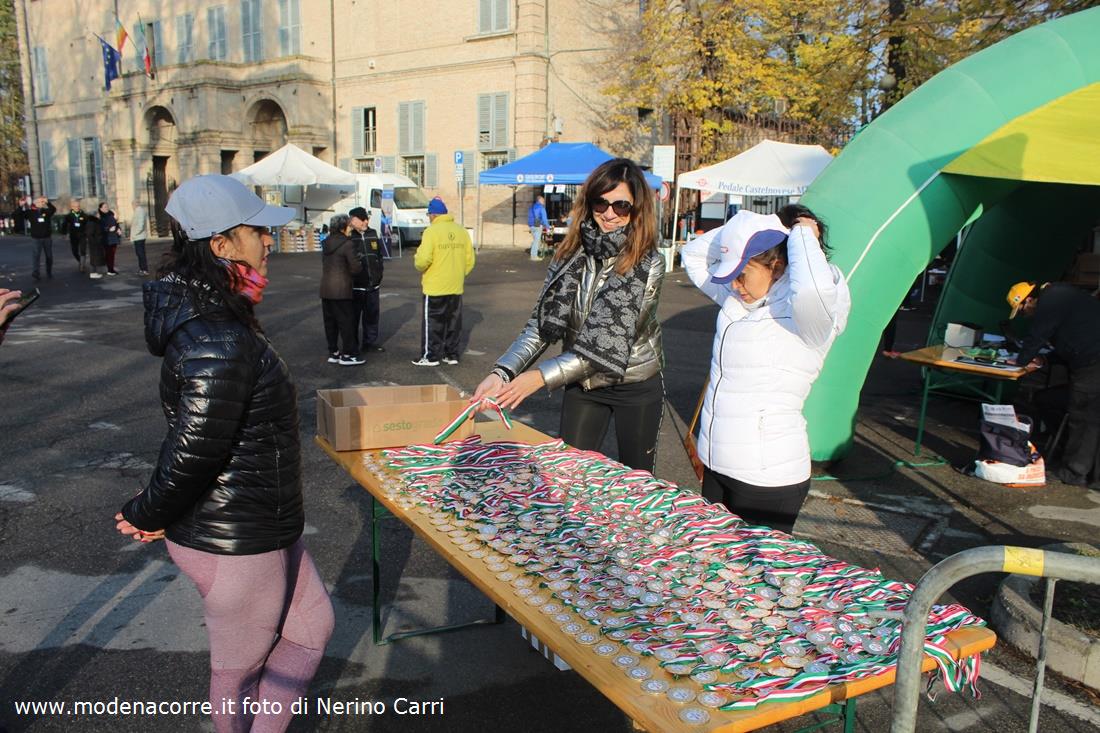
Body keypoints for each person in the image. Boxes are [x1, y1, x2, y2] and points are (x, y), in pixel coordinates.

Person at [114, 174, 334, 732]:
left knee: (311, 630)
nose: (269, 240)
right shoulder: (217, 335)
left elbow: (201, 436)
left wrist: (153, 508)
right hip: (234, 535)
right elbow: (194, 449)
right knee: (239, 673)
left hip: (260, 520)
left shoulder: (222, 318)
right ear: (220, 244)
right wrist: (147, 512)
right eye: (257, 231)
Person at [473, 158, 666, 472]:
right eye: (601, 203)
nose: (609, 214)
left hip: (634, 384)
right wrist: (502, 373)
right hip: (583, 384)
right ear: (589, 203)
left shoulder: (649, 262)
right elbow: (539, 326)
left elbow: (605, 345)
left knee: (638, 480)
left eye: (621, 206)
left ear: (637, 209)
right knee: (569, 474)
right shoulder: (568, 254)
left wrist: (538, 378)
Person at [680, 205, 851, 533]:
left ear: (778, 265)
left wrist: (801, 234)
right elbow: (694, 254)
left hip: (766, 479)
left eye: (742, 274)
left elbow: (812, 289)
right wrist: (755, 228)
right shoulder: (742, 299)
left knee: (755, 568)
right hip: (717, 467)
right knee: (714, 560)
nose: (734, 285)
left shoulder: (808, 316)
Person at [1007, 280, 1100, 487]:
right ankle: (1092, 475)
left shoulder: (1051, 299)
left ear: (1027, 301)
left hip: (1092, 364)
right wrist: (1044, 359)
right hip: (1091, 359)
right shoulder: (1062, 296)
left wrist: (1022, 360)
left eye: (1022, 312)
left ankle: (1074, 472)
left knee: (1083, 418)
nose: (1026, 316)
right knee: (1088, 417)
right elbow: (1072, 339)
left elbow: (1038, 333)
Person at [413, 197, 475, 366]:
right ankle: (451, 354)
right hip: (455, 285)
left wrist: (419, 265)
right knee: (453, 322)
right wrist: (459, 274)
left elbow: (423, 259)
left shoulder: (431, 232)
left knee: (433, 322)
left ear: (432, 215)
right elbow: (470, 260)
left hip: (435, 285)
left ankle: (430, 355)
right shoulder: (461, 231)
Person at [320, 213, 364, 365]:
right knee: (346, 323)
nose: (350, 229)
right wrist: (359, 263)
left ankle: (334, 352)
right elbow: (355, 268)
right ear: (343, 227)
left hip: (326, 289)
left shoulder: (326, 243)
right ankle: (349, 354)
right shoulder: (347, 244)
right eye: (349, 226)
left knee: (330, 323)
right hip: (342, 289)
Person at [348, 206, 385, 353]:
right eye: (362, 219)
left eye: (366, 219)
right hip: (356, 286)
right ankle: (352, 345)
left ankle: (370, 342)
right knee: (353, 318)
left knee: (372, 316)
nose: (366, 222)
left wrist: (379, 273)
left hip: (373, 285)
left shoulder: (373, 233)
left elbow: (379, 256)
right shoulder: (349, 237)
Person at [28, 195, 56, 281]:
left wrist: (48, 202)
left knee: (49, 256)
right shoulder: (30, 212)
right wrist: (21, 206)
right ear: (35, 203)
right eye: (40, 202)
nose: (42, 203)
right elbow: (17, 214)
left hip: (47, 237)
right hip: (36, 238)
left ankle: (49, 271)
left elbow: (53, 209)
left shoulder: (46, 211)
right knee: (36, 255)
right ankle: (36, 272)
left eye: (43, 202)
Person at [59, 199, 89, 272]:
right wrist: (64, 233)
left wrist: (88, 234)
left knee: (83, 250)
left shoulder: (84, 215)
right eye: (75, 206)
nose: (77, 208)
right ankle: (80, 261)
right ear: (72, 207)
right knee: (74, 251)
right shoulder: (69, 216)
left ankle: (82, 266)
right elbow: (64, 225)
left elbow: (88, 225)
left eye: (78, 206)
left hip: (82, 235)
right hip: (73, 235)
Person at [98, 202, 121, 276]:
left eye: (107, 206)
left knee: (112, 255)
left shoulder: (111, 214)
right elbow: (100, 228)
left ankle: (111, 269)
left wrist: (118, 229)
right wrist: (108, 229)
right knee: (108, 254)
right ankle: (110, 270)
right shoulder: (100, 216)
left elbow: (116, 223)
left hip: (114, 237)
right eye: (104, 207)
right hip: (106, 238)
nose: (106, 208)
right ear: (101, 208)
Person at [85, 206, 107, 279]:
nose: (99, 215)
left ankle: (94, 272)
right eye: (98, 214)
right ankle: (93, 273)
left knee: (95, 258)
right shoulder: (92, 222)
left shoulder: (95, 222)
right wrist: (95, 242)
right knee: (94, 258)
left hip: (96, 242)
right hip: (95, 243)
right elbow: (90, 234)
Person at [130, 199, 150, 275]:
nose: (132, 206)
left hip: (139, 236)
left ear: (135, 204)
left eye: (132, 205)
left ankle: (144, 270)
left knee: (141, 254)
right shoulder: (137, 211)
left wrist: (135, 233)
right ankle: (142, 269)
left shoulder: (140, 211)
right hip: (138, 236)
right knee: (139, 254)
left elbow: (141, 224)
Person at [528, 194, 550, 260]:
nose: (544, 202)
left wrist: (530, 224)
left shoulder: (531, 207)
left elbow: (529, 216)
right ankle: (534, 256)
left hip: (531, 225)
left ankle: (533, 253)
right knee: (537, 241)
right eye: (543, 200)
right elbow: (544, 218)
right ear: (539, 200)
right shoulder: (541, 208)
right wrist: (547, 227)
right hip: (538, 225)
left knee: (535, 240)